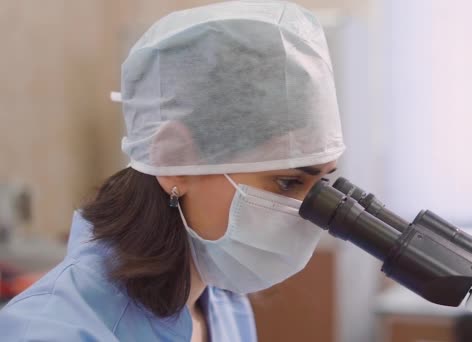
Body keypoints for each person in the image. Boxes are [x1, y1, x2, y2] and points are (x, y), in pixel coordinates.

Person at [0, 1, 345, 341]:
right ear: (173, 161)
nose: (308, 212)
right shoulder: (51, 331)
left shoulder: (224, 304)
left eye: (322, 182)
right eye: (287, 182)